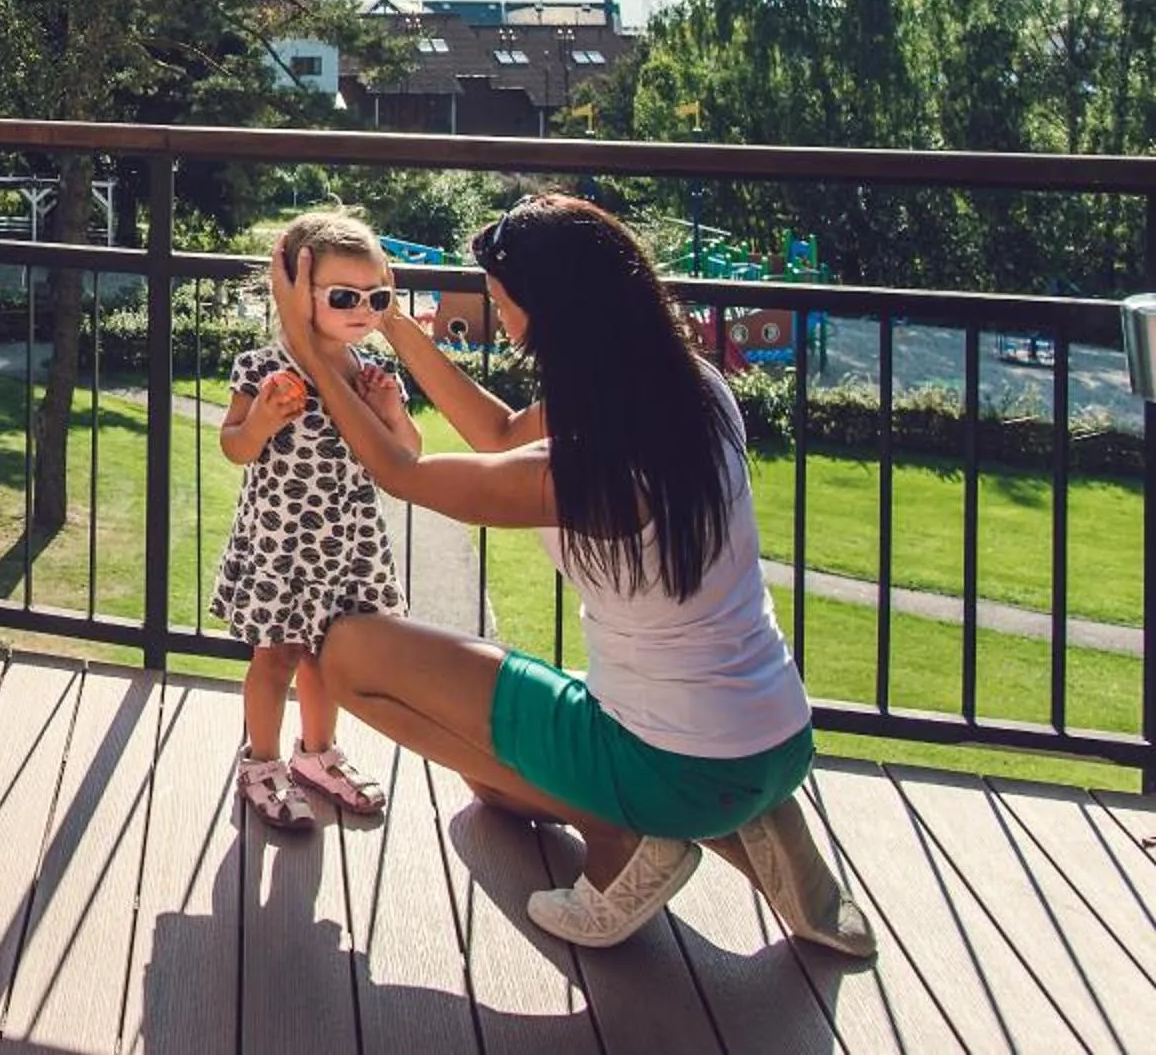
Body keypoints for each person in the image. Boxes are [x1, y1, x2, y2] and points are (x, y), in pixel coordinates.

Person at [273, 193, 874, 956]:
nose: (500, 315)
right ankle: (752, 821)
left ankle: (628, 837)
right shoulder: (691, 387)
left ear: (548, 314)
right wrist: (390, 321)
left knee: (348, 652)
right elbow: (495, 431)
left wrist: (308, 345)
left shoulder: (591, 474)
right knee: (490, 787)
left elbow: (401, 471)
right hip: (774, 738)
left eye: (502, 302)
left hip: (670, 761)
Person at [211, 212, 419, 829]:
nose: (363, 309)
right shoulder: (263, 368)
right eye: (343, 296)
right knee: (276, 657)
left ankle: (317, 754)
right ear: (300, 294)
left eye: (376, 297)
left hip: (348, 541)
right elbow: (234, 447)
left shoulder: (371, 375)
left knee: (330, 656)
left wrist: (389, 410)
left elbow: (407, 457)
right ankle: (261, 761)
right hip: (284, 543)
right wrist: (263, 422)